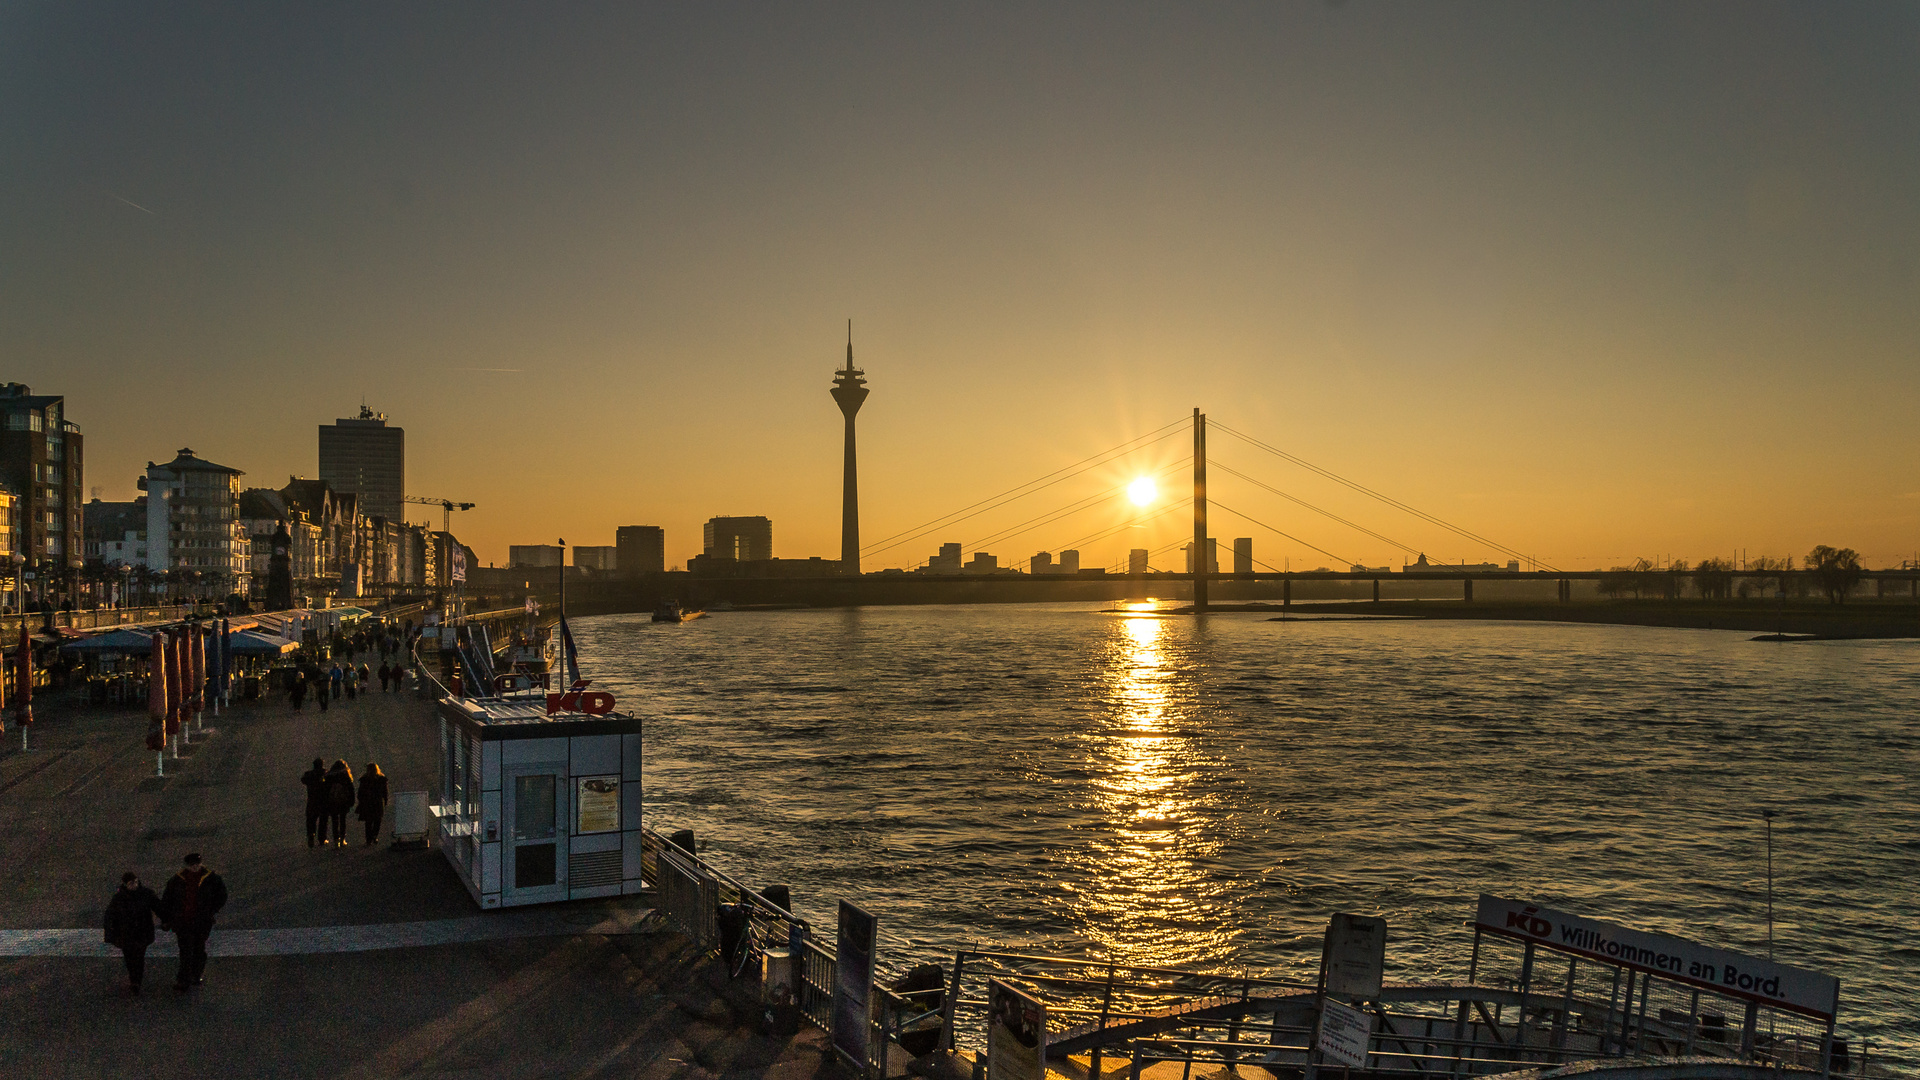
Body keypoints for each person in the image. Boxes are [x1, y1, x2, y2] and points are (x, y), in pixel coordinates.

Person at [158, 853, 227, 992]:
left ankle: (194, 975)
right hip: (184, 922)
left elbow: (222, 895)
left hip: (201, 921)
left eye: (197, 864)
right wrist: (168, 919)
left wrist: (211, 910)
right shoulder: (177, 880)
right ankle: (185, 979)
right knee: (186, 951)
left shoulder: (211, 879)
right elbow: (167, 901)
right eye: (192, 865)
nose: (195, 867)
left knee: (197, 949)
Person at [104, 872, 159, 994]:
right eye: (131, 883)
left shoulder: (144, 894)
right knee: (130, 958)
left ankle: (136, 981)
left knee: (138, 958)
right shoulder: (119, 898)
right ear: (125, 884)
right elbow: (110, 916)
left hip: (140, 933)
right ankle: (134, 979)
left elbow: (158, 907)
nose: (134, 885)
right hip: (127, 934)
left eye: (135, 882)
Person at [357, 762, 389, 846]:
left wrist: (361, 801)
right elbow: (385, 792)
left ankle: (368, 839)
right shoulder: (381, 779)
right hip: (378, 802)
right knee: (377, 820)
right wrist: (385, 801)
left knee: (368, 822)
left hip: (367, 803)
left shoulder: (364, 779)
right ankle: (375, 835)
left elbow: (360, 793)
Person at [324, 760, 355, 848]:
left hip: (333, 801)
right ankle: (342, 839)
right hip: (343, 801)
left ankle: (336, 840)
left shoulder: (329, 776)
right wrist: (351, 801)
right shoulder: (345, 775)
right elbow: (351, 789)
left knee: (334, 820)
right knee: (342, 820)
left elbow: (326, 790)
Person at [301, 757, 329, 847]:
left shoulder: (309, 775)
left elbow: (303, 780)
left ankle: (311, 835)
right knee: (323, 820)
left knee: (311, 819)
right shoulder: (325, 774)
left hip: (312, 800)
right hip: (323, 800)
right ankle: (322, 838)